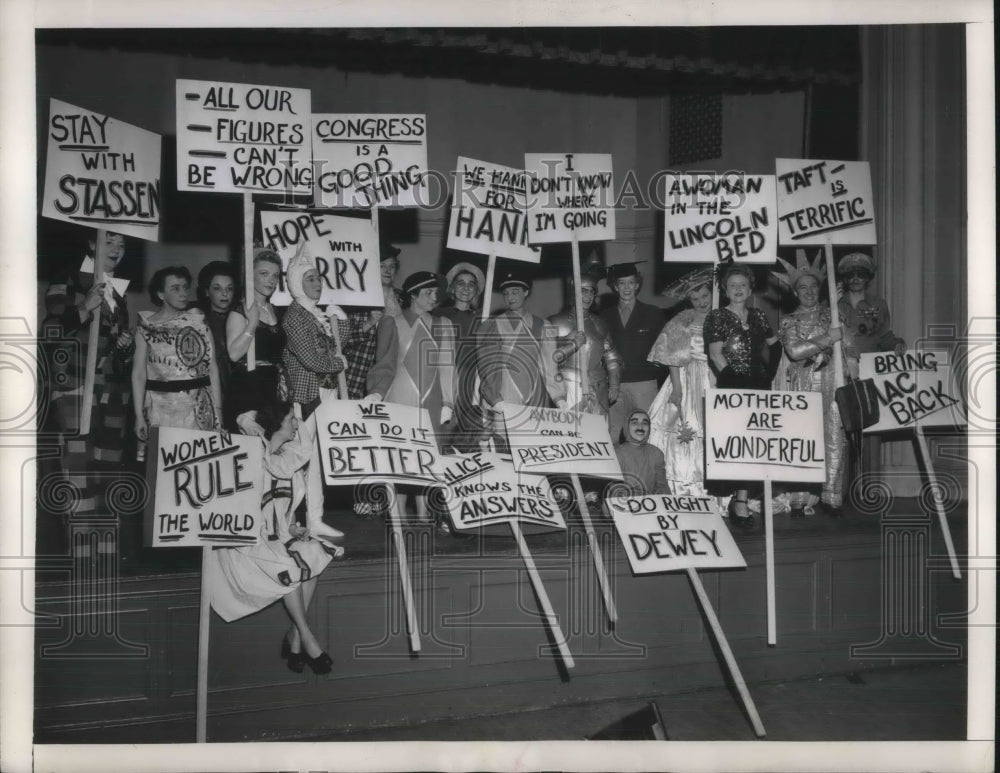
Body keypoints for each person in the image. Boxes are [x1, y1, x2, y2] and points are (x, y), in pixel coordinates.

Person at [206, 398, 343, 675]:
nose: (297, 425)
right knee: (289, 563)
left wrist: (293, 527)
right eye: (291, 419)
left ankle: (295, 635)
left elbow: (285, 508)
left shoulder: (288, 459)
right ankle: (306, 637)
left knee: (314, 554)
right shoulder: (253, 455)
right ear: (276, 424)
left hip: (277, 533)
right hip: (248, 541)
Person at [41, 231, 134, 517]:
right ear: (92, 244)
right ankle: (82, 550)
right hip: (76, 386)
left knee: (107, 472)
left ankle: (103, 547)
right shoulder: (68, 279)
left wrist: (123, 346)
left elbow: (114, 344)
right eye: (110, 241)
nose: (117, 249)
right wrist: (84, 308)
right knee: (78, 467)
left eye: (122, 244)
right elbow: (49, 334)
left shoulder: (119, 291)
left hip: (111, 391)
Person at [366, 271, 456, 521]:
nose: (434, 297)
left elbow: (448, 366)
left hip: (433, 401)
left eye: (436, 292)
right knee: (401, 457)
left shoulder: (444, 325)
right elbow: (384, 364)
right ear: (412, 295)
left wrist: (448, 401)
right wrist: (376, 392)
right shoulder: (391, 323)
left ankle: (424, 512)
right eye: (428, 292)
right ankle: (396, 513)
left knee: (428, 457)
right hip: (399, 399)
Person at [704, 262, 780, 528]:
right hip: (731, 386)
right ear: (725, 289)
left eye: (743, 285)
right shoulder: (717, 317)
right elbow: (716, 353)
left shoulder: (759, 316)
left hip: (758, 386)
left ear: (750, 290)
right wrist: (732, 379)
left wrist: (768, 373)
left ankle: (743, 499)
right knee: (736, 442)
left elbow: (774, 345)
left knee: (754, 443)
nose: (738, 289)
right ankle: (735, 500)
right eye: (732, 285)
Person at [772, 252, 847, 515]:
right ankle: (800, 497)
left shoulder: (833, 315)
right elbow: (795, 350)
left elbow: (849, 345)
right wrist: (829, 337)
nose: (809, 292)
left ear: (819, 289)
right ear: (795, 292)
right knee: (803, 440)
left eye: (813, 287)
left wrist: (853, 363)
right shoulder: (789, 320)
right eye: (802, 288)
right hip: (802, 387)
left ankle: (831, 496)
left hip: (833, 384)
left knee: (835, 438)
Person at [646, 265, 716, 498]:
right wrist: (677, 388)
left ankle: (715, 488)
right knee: (685, 428)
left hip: (715, 376)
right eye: (695, 298)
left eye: (705, 295)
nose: (701, 302)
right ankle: (684, 487)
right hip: (686, 376)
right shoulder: (682, 320)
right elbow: (672, 357)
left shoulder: (723, 316)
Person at [479, 269, 567, 452]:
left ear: (526, 292)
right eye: (506, 294)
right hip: (504, 396)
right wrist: (495, 399)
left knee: (532, 452)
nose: (510, 297)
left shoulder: (544, 325)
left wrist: (559, 398)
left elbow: (550, 366)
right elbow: (487, 366)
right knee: (503, 452)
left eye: (515, 292)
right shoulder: (491, 325)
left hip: (535, 397)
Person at [132, 267, 221, 446]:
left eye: (185, 287)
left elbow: (212, 369)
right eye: (175, 288)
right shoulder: (146, 327)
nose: (183, 293)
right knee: (162, 468)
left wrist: (218, 413)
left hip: (198, 411)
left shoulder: (198, 322)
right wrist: (138, 416)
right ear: (160, 294)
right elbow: (139, 374)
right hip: (160, 410)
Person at [601, 261, 668, 444]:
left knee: (645, 434)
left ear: (637, 285)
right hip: (615, 385)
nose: (627, 287)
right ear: (615, 287)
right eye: (622, 283)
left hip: (644, 384)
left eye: (631, 282)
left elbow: (663, 350)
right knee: (611, 433)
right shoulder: (605, 316)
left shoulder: (653, 313)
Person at [226, 247, 288, 429]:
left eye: (275, 276)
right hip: (248, 386)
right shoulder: (240, 311)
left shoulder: (275, 310)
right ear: (250, 276)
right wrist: (252, 323)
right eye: (264, 273)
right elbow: (234, 354)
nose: (271, 280)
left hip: (274, 386)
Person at [548, 269, 622, 416]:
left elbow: (611, 356)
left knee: (600, 433)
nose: (587, 296)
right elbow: (547, 359)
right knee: (571, 433)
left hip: (599, 386)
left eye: (591, 292)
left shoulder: (600, 323)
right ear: (573, 292)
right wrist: (573, 345)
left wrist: (614, 384)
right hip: (569, 387)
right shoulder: (555, 322)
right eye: (583, 291)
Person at [433, 261, 488, 451]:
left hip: (470, 385)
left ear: (476, 291)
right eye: (460, 283)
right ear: (452, 288)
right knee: (439, 438)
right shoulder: (437, 315)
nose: (466, 288)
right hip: (441, 382)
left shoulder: (483, 319)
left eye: (471, 284)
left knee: (466, 443)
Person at [343, 242, 404, 399]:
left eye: (392, 266)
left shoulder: (402, 300)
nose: (388, 270)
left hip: (389, 385)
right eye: (382, 265)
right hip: (354, 379)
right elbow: (340, 341)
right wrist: (368, 323)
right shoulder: (355, 298)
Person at [836, 251, 906, 378]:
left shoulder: (879, 304)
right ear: (845, 279)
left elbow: (884, 336)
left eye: (861, 275)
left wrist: (897, 344)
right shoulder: (835, 304)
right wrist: (832, 306)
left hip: (871, 369)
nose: (855, 279)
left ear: (868, 278)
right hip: (842, 369)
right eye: (851, 275)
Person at [195, 260, 237, 418]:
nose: (225, 294)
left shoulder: (241, 319)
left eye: (229, 289)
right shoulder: (199, 320)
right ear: (206, 292)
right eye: (217, 288)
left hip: (239, 393)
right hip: (210, 393)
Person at [614, 409, 670, 496]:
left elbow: (661, 486)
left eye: (645, 423)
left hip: (650, 506)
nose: (640, 427)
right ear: (626, 426)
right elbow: (612, 489)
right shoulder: (616, 453)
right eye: (635, 423)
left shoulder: (656, 453)